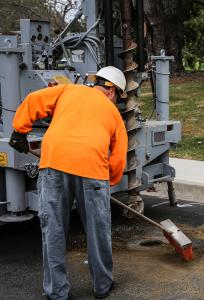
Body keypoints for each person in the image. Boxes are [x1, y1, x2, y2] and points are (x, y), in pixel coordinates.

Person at [9, 66, 128, 299]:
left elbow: (34, 100)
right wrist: (108, 180)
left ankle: (56, 291)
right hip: (92, 169)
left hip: (54, 164)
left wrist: (19, 131)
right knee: (98, 230)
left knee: (53, 230)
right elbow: (119, 156)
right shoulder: (113, 114)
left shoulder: (68, 90)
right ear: (112, 91)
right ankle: (102, 285)